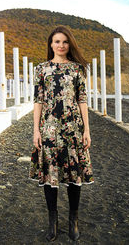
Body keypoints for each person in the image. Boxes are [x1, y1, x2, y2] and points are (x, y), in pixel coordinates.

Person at [29, 25, 94, 242]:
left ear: (69, 44)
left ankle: (73, 220)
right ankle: (52, 221)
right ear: (51, 44)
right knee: (50, 176)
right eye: (57, 41)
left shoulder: (77, 70)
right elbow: (38, 101)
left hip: (73, 128)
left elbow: (82, 100)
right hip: (48, 129)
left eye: (65, 42)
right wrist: (36, 130)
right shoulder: (41, 69)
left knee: (74, 176)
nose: (61, 45)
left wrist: (86, 129)